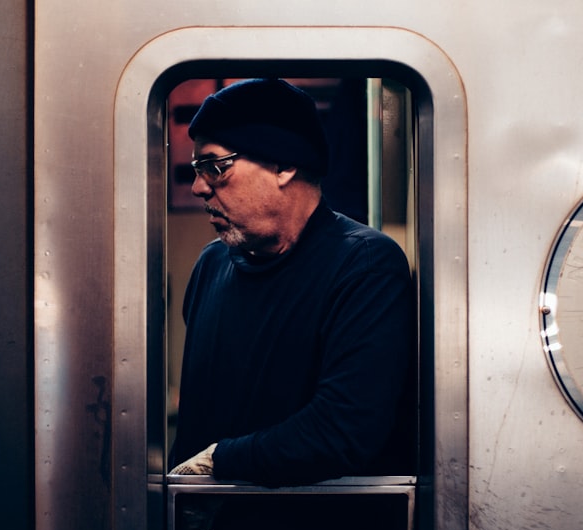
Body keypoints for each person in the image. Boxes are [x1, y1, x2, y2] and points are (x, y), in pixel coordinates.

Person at [168, 78, 415, 487]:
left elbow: (342, 430)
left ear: (283, 165)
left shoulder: (365, 265)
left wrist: (219, 461)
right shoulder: (211, 265)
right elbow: (198, 416)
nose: (198, 187)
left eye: (215, 166)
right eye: (197, 169)